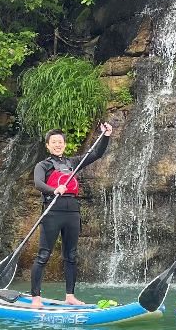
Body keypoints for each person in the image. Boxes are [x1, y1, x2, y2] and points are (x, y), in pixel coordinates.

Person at [29, 123, 113, 308]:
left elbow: (96, 154)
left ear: (65, 144)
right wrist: (53, 189)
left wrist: (106, 135)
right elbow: (38, 184)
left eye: (60, 142)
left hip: (72, 212)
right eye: (53, 142)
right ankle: (35, 298)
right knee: (44, 254)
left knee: (72, 255)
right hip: (52, 211)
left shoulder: (72, 163)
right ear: (48, 145)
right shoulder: (43, 165)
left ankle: (70, 296)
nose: (57, 145)